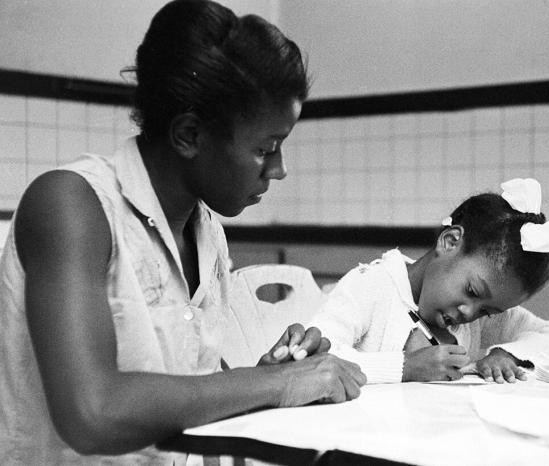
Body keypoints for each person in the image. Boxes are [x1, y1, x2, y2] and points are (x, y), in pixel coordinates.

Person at [0, 1, 366, 464]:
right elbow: (92, 413)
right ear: (189, 135)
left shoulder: (207, 230)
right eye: (266, 148)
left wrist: (265, 376)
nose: (279, 170)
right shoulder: (71, 204)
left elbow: (184, 394)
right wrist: (277, 384)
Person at [309, 178, 549, 384]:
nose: (470, 313)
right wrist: (404, 367)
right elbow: (315, 360)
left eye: (487, 311)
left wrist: (506, 354)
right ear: (450, 242)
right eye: (471, 291)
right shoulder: (374, 286)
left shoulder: (478, 316)